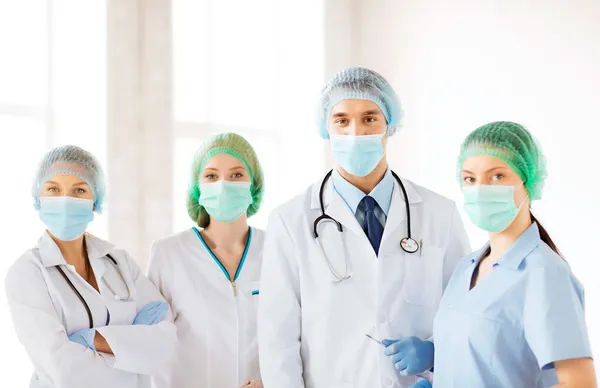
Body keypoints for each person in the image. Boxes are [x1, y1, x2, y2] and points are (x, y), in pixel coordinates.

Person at [257, 67, 471, 388]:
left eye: (369, 118)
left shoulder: (440, 214)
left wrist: (436, 354)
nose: (355, 132)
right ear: (326, 129)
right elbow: (278, 338)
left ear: (390, 124)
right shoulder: (290, 221)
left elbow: (465, 315)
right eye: (341, 120)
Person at [426, 121, 596, 387]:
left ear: (528, 180)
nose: (480, 188)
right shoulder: (465, 267)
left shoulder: (544, 273)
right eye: (470, 178)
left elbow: (579, 383)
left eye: (497, 176)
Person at [4, 145, 176, 388]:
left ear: (95, 199)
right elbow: (63, 372)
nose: (65, 200)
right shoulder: (27, 273)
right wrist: (132, 353)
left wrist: (91, 339)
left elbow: (165, 342)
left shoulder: (119, 261)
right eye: (53, 189)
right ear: (38, 198)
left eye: (79, 190)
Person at [147, 133, 265, 388]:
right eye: (211, 176)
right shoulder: (168, 254)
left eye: (236, 175)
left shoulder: (278, 249)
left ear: (254, 184)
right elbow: (152, 347)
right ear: (197, 187)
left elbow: (298, 337)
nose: (224, 185)